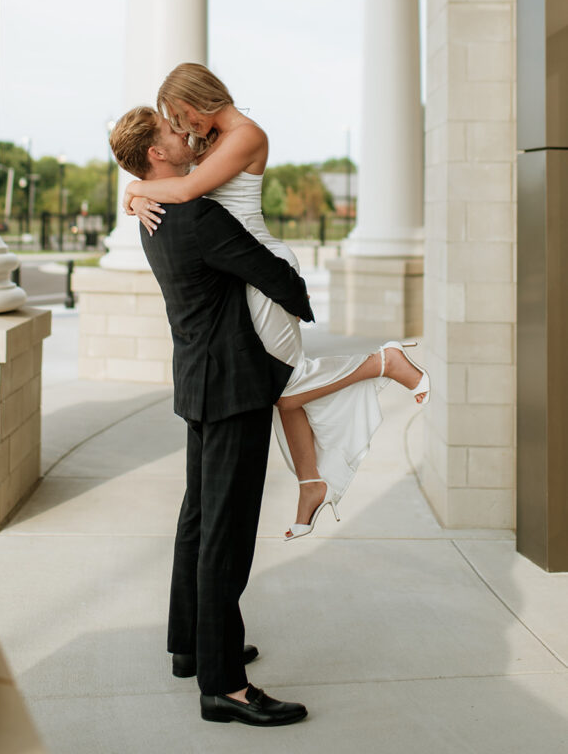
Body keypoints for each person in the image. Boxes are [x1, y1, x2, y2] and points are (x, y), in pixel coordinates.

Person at [124, 63, 430, 539]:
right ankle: (311, 483)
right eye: (174, 122)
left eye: (181, 114)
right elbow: (179, 183)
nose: (183, 127)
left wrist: (135, 188)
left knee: (282, 382)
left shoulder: (245, 135)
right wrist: (134, 189)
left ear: (198, 99)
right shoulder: (213, 141)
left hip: (262, 267)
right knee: (281, 388)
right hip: (240, 268)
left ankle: (383, 362)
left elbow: (184, 190)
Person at [110, 106, 311, 726]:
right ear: (156, 156)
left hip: (200, 382)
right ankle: (225, 685)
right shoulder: (195, 213)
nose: (186, 135)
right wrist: (298, 289)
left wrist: (133, 190)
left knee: (199, 518)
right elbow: (276, 278)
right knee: (226, 533)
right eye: (174, 133)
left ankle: (191, 645)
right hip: (232, 387)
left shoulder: (152, 212)